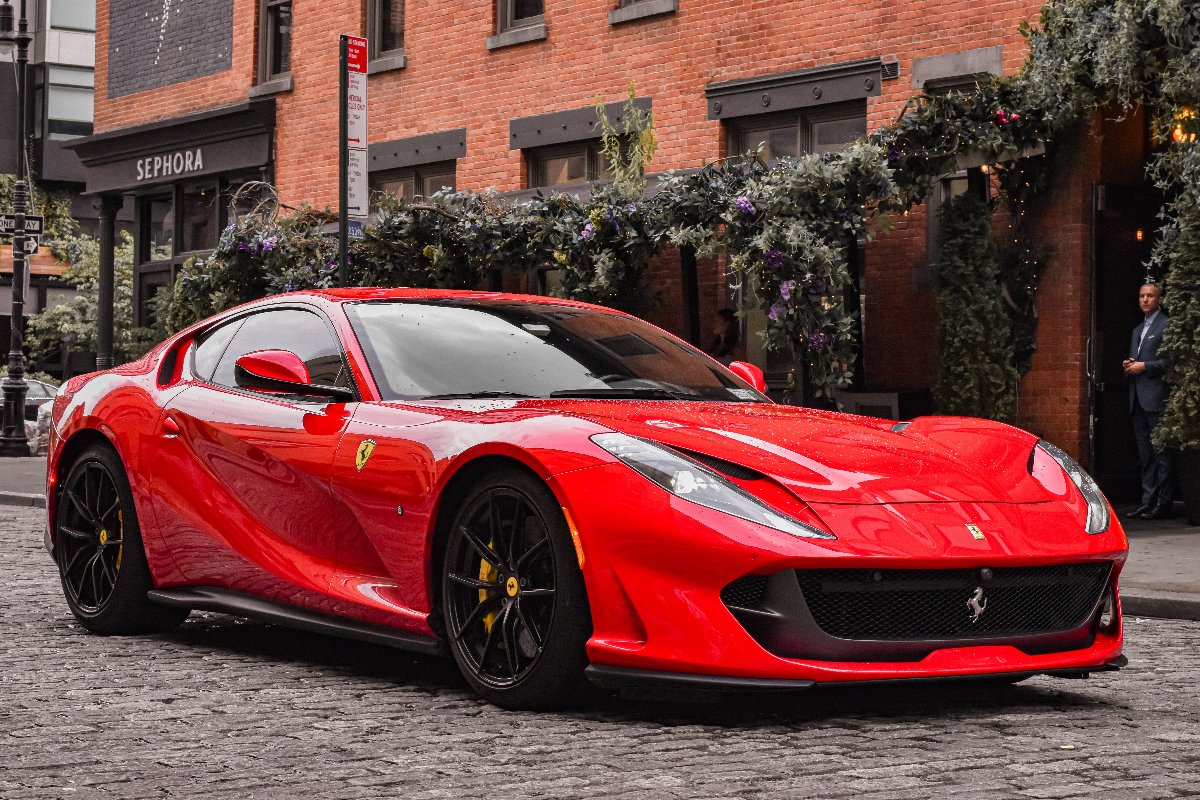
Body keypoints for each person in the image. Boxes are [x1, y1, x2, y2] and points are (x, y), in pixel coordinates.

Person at [1123, 282, 1174, 520]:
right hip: (1137, 398)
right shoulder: (1137, 330)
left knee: (1161, 454)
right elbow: (1138, 360)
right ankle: (1147, 501)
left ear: (1159, 299)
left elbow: (1169, 362)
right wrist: (1130, 365)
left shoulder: (1166, 325)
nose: (1145, 300)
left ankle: (1164, 502)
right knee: (1145, 455)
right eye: (1142, 296)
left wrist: (1143, 366)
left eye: (1150, 296)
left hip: (1155, 398)